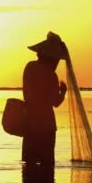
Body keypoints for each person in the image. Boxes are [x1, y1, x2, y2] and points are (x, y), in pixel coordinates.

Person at [22, 31, 68, 169]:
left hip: (30, 122)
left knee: (29, 164)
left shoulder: (30, 68)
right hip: (46, 124)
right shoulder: (51, 75)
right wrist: (63, 91)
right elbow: (56, 102)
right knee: (47, 163)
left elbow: (28, 95)